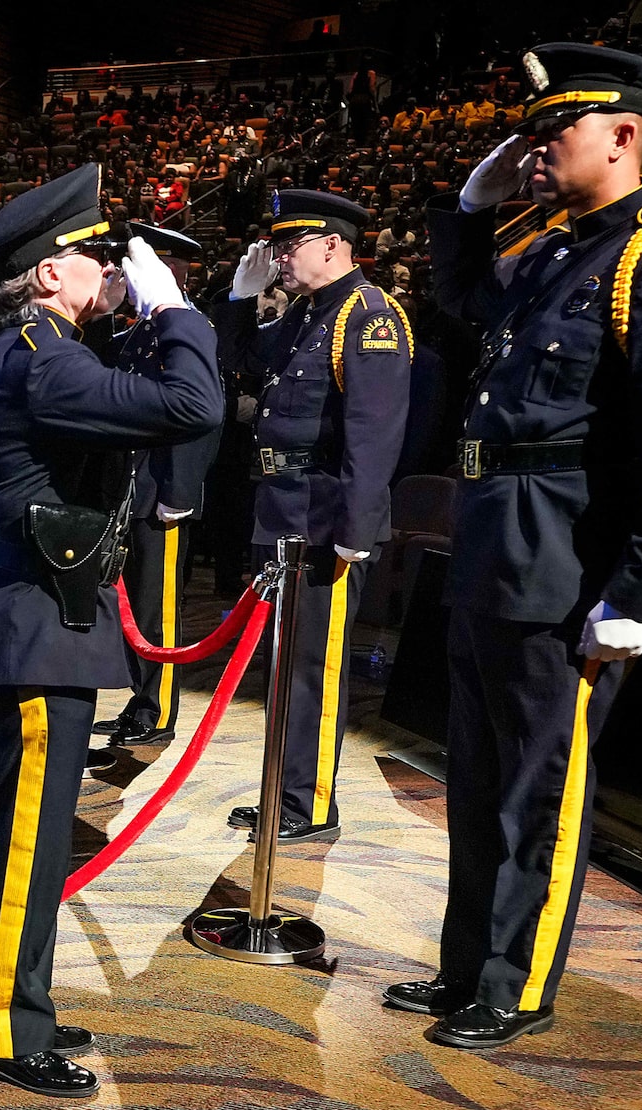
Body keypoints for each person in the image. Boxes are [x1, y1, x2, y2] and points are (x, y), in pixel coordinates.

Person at [415, 43, 642, 1049]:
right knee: (473, 774)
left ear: (626, 135)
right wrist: (468, 212)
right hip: (491, 544)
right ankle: (465, 967)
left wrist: (640, 590)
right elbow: (464, 302)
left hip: (566, 561)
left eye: (556, 129)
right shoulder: (551, 252)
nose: (536, 145)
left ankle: (515, 983)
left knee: (543, 787)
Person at [0, 164, 222, 1096]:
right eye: (95, 258)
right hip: (33, 629)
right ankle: (0, 1031)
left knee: (33, 835)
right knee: (28, 841)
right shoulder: (45, 357)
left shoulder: (48, 348)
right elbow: (191, 408)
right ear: (50, 274)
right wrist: (178, 313)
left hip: (39, 620)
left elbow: (152, 417)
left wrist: (152, 321)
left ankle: (16, 1000)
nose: (111, 269)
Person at [212, 187, 412, 837]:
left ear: (332, 244)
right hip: (281, 514)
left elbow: (372, 433)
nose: (276, 257)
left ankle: (310, 802)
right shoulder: (306, 314)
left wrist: (355, 530)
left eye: (287, 245)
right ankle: (283, 789)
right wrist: (240, 302)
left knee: (313, 671)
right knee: (282, 663)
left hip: (323, 524)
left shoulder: (367, 315)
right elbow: (241, 360)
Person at [110, 237, 226, 749]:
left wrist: (180, 490)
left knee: (159, 610)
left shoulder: (190, 329)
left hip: (164, 491)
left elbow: (200, 422)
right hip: (136, 485)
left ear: (170, 271)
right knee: (136, 603)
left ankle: (158, 711)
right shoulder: (144, 331)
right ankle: (141, 699)